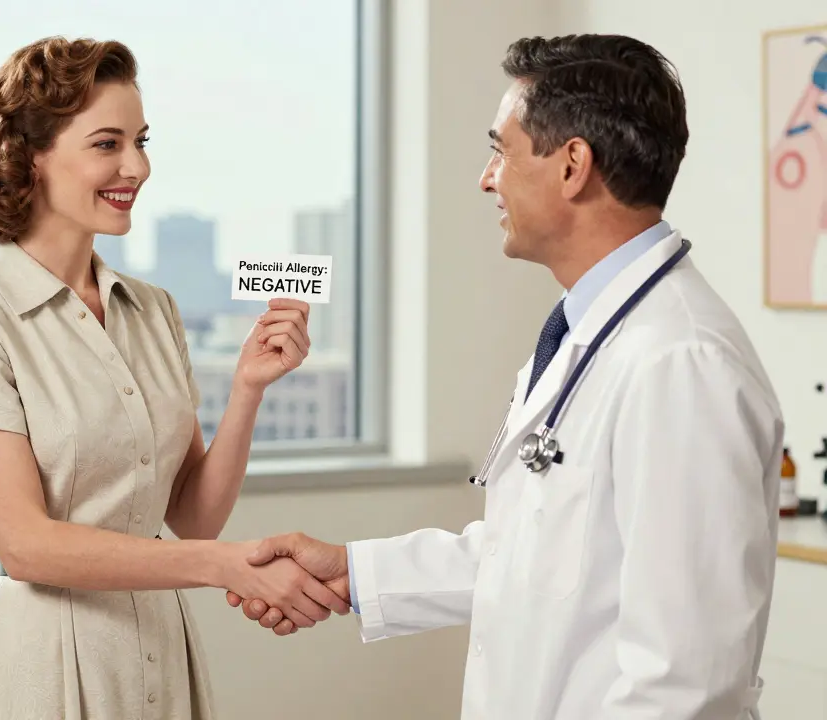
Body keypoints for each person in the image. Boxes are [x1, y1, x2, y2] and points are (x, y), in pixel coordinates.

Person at [226, 33, 785, 719]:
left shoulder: (680, 364)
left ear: (572, 164)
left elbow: (687, 685)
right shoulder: (592, 332)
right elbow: (541, 555)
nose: (486, 178)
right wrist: (351, 571)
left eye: (500, 150)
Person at [0, 36, 349, 720]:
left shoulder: (154, 310)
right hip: (43, 662)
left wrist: (247, 390)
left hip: (159, 645)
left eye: (142, 141)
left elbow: (193, 517)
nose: (137, 166)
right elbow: (24, 545)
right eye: (107, 144)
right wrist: (220, 566)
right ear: (30, 155)